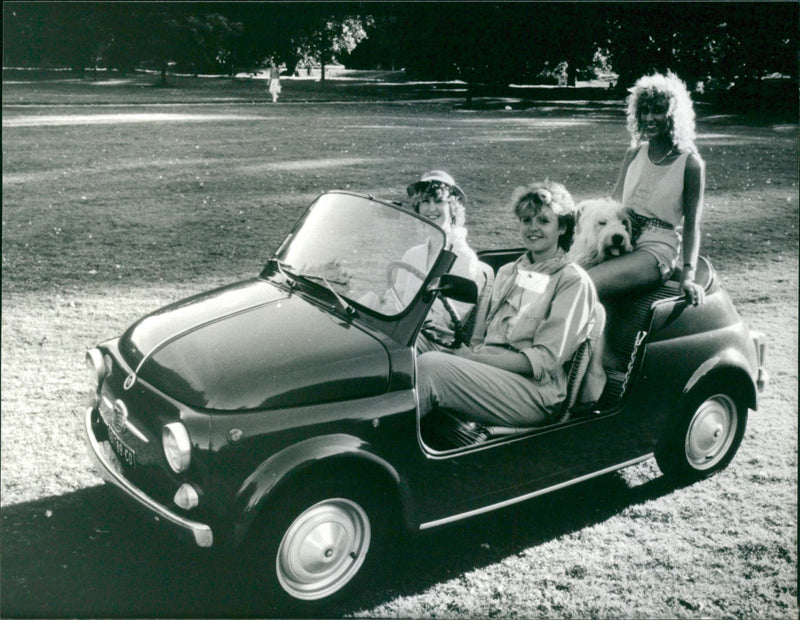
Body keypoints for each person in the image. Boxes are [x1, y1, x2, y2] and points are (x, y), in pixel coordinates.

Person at [417, 181, 605, 427]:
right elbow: (480, 339)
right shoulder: (508, 271)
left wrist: (470, 359)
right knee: (413, 345)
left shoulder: (572, 281)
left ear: (563, 227)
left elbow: (543, 361)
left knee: (431, 368)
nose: (532, 228)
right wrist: (464, 351)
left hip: (533, 391)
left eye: (543, 221)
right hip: (492, 372)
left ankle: (382, 447)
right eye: (526, 220)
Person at [589, 70, 706, 306]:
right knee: (564, 277)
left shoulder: (691, 164)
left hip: (656, 249)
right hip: (621, 239)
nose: (649, 118)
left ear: (674, 115)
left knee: (584, 283)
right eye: (645, 111)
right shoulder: (634, 153)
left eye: (658, 111)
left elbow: (693, 225)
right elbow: (613, 204)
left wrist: (688, 275)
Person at [389, 170, 484, 351]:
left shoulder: (462, 257)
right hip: (401, 330)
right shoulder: (413, 254)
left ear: (453, 208)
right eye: (425, 201)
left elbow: (447, 321)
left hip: (434, 342)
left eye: (439, 201)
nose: (431, 208)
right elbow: (393, 296)